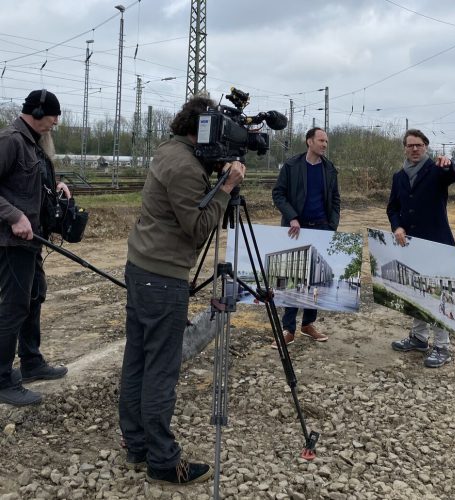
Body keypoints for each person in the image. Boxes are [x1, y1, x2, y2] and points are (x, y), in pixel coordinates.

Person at [119, 96, 245, 485]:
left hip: (141, 266)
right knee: (161, 367)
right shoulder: (187, 168)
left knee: (137, 359)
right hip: (163, 276)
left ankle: (137, 445)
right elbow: (199, 226)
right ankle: (162, 459)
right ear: (202, 128)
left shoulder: (168, 150)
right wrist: (226, 187)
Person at [0, 89, 70, 407]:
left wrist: (56, 187)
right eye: (53, 115)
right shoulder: (11, 140)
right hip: (11, 241)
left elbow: (28, 182)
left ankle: (31, 361)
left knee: (34, 296)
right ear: (38, 112)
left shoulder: (34, 143)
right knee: (13, 307)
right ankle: (2, 379)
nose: (55, 122)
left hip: (33, 239)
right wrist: (14, 216)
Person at [388, 129, 455, 368]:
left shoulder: (437, 170)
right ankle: (419, 338)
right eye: (410, 145)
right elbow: (393, 208)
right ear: (405, 149)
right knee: (415, 291)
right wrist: (397, 226)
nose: (414, 149)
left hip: (437, 243)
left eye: (418, 145)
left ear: (426, 147)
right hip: (409, 245)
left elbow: (453, 175)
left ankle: (442, 346)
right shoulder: (399, 176)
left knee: (437, 294)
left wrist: (449, 164)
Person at [271, 127, 340, 348]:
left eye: (326, 141)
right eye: (321, 140)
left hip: (322, 228)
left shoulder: (329, 169)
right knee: (294, 277)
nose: (324, 145)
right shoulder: (292, 166)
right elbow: (278, 194)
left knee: (315, 279)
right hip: (295, 230)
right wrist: (291, 217)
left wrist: (332, 226)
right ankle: (288, 328)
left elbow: (336, 200)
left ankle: (308, 324)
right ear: (309, 141)